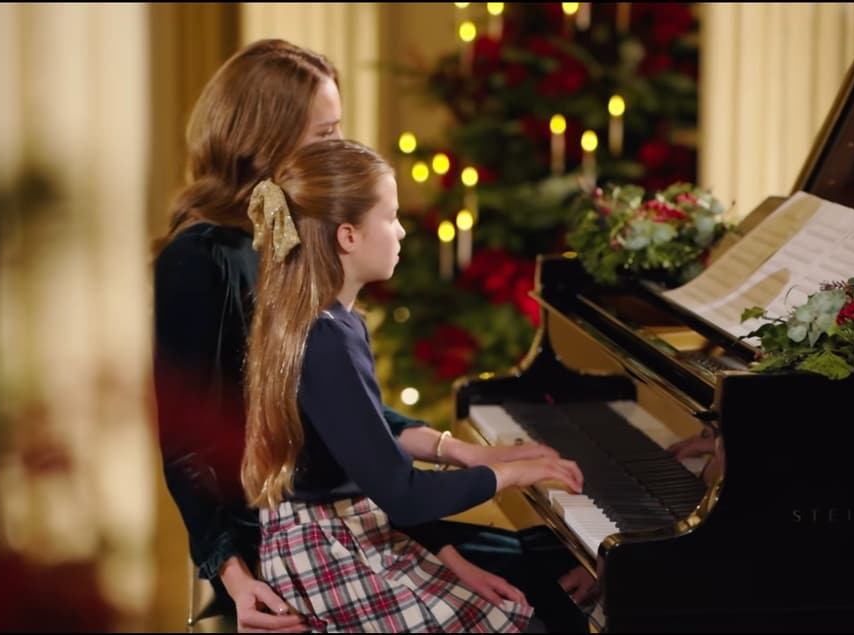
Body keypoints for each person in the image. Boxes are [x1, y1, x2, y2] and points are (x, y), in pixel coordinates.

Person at [153, 38, 587, 633]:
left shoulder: (308, 262)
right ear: (265, 138)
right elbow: (186, 446)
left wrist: (453, 476)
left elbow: (345, 421)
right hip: (276, 532)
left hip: (349, 509)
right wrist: (233, 576)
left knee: (546, 562)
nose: (339, 149)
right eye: (325, 134)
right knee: (542, 587)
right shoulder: (201, 257)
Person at [240, 138, 585, 632]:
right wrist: (511, 473)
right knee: (523, 620)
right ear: (348, 236)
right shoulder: (326, 339)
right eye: (391, 216)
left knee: (520, 601)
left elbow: (372, 448)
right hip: (328, 550)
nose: (402, 231)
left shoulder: (327, 322)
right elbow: (402, 492)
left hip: (342, 527)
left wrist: (472, 474)